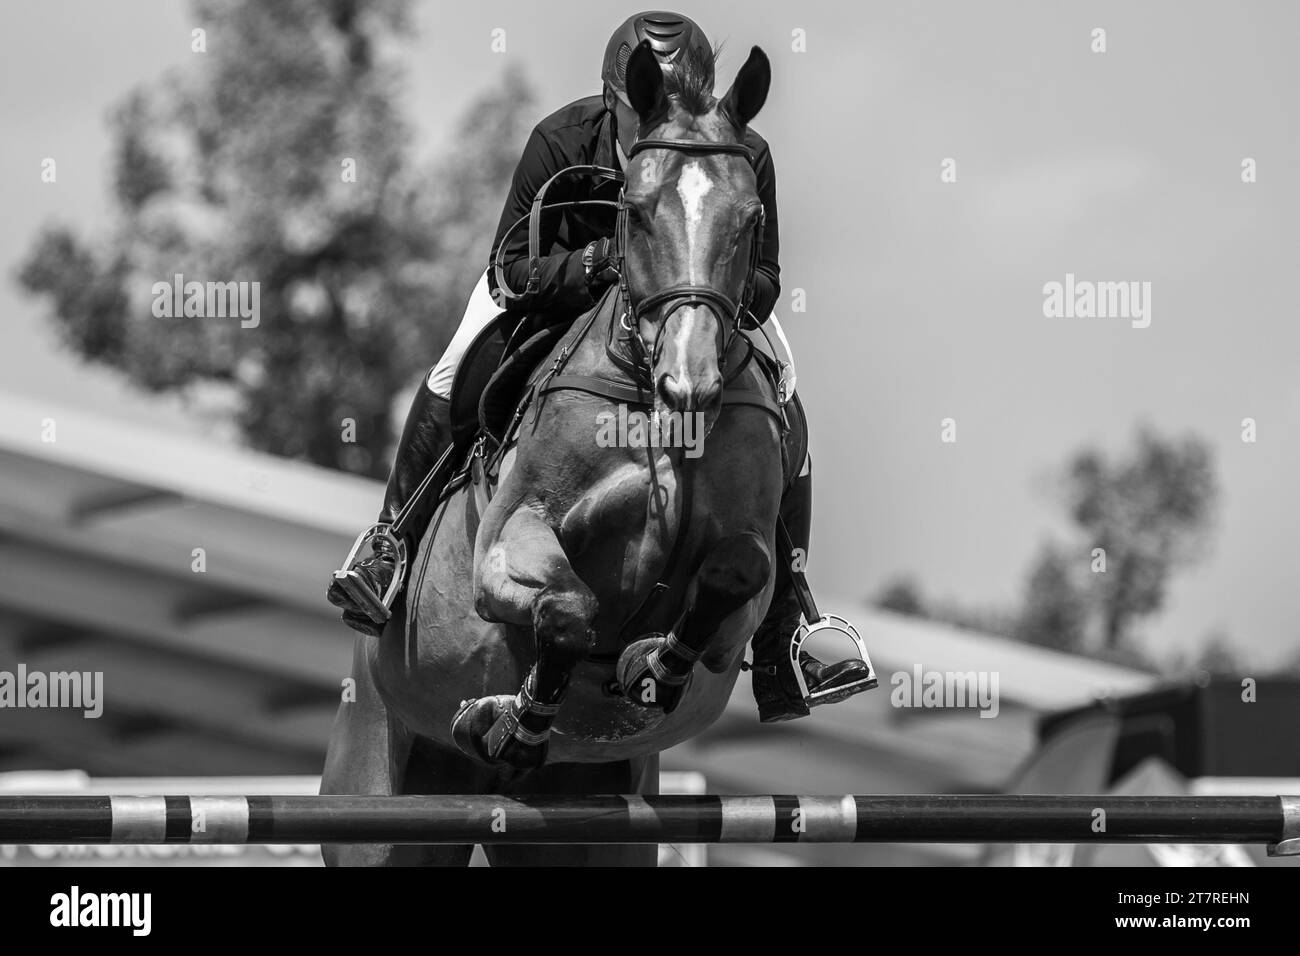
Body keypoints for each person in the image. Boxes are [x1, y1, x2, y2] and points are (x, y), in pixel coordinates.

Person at [328, 11, 872, 722]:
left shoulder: (743, 151)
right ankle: (390, 543)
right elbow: (509, 269)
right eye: (644, 109)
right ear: (618, 97)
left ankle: (786, 630)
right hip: (563, 300)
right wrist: (605, 267)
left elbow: (765, 276)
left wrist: (700, 288)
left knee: (788, 395)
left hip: (696, 304)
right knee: (455, 361)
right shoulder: (560, 139)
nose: (663, 120)